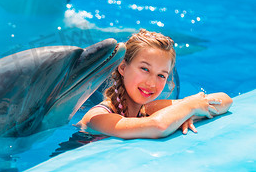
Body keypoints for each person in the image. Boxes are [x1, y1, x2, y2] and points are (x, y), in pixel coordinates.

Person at [76, 29, 232, 139]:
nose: (151, 83)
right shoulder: (97, 117)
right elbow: (158, 126)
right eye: (144, 69)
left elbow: (225, 100)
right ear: (123, 67)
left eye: (161, 75)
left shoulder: (148, 109)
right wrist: (190, 108)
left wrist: (183, 115)